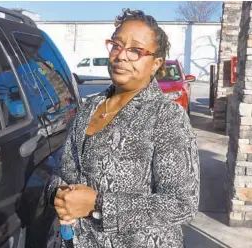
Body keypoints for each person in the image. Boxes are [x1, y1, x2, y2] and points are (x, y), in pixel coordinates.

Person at [48, 8, 200, 248]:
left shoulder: (165, 117)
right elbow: (64, 170)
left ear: (155, 63)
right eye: (117, 45)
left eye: (136, 50)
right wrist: (59, 194)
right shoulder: (89, 107)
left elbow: (182, 203)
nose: (121, 56)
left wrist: (98, 204)